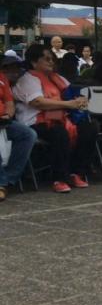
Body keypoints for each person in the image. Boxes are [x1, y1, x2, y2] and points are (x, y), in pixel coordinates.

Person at [13, 44, 96, 194]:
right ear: (34, 62)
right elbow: (38, 102)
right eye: (46, 59)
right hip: (35, 122)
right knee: (59, 132)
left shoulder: (57, 79)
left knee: (90, 127)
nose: (51, 62)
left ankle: (76, 173)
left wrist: (80, 101)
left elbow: (72, 94)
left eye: (52, 59)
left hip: (61, 119)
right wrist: (69, 104)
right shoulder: (27, 80)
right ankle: (59, 178)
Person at [0, 54, 37, 201]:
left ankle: (9, 178)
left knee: (28, 134)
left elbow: (9, 102)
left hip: (3, 121)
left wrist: (8, 115)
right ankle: (1, 183)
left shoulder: (2, 78)